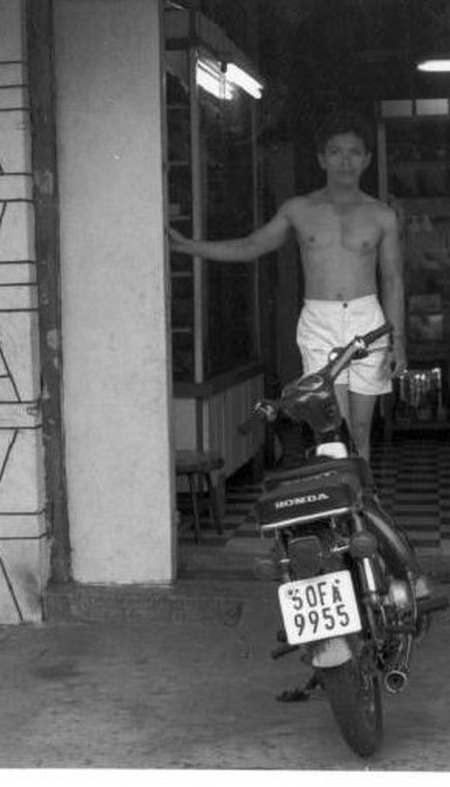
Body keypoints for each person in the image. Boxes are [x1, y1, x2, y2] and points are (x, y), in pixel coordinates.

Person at [168, 111, 434, 603]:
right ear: (321, 159)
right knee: (329, 435)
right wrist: (191, 248)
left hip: (369, 321)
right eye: (336, 151)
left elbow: (394, 279)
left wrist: (398, 341)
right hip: (319, 321)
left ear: (367, 159)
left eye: (354, 152)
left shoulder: (381, 214)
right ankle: (337, 530)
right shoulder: (298, 209)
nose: (345, 160)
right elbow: (251, 247)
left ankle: (368, 534)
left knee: (361, 436)